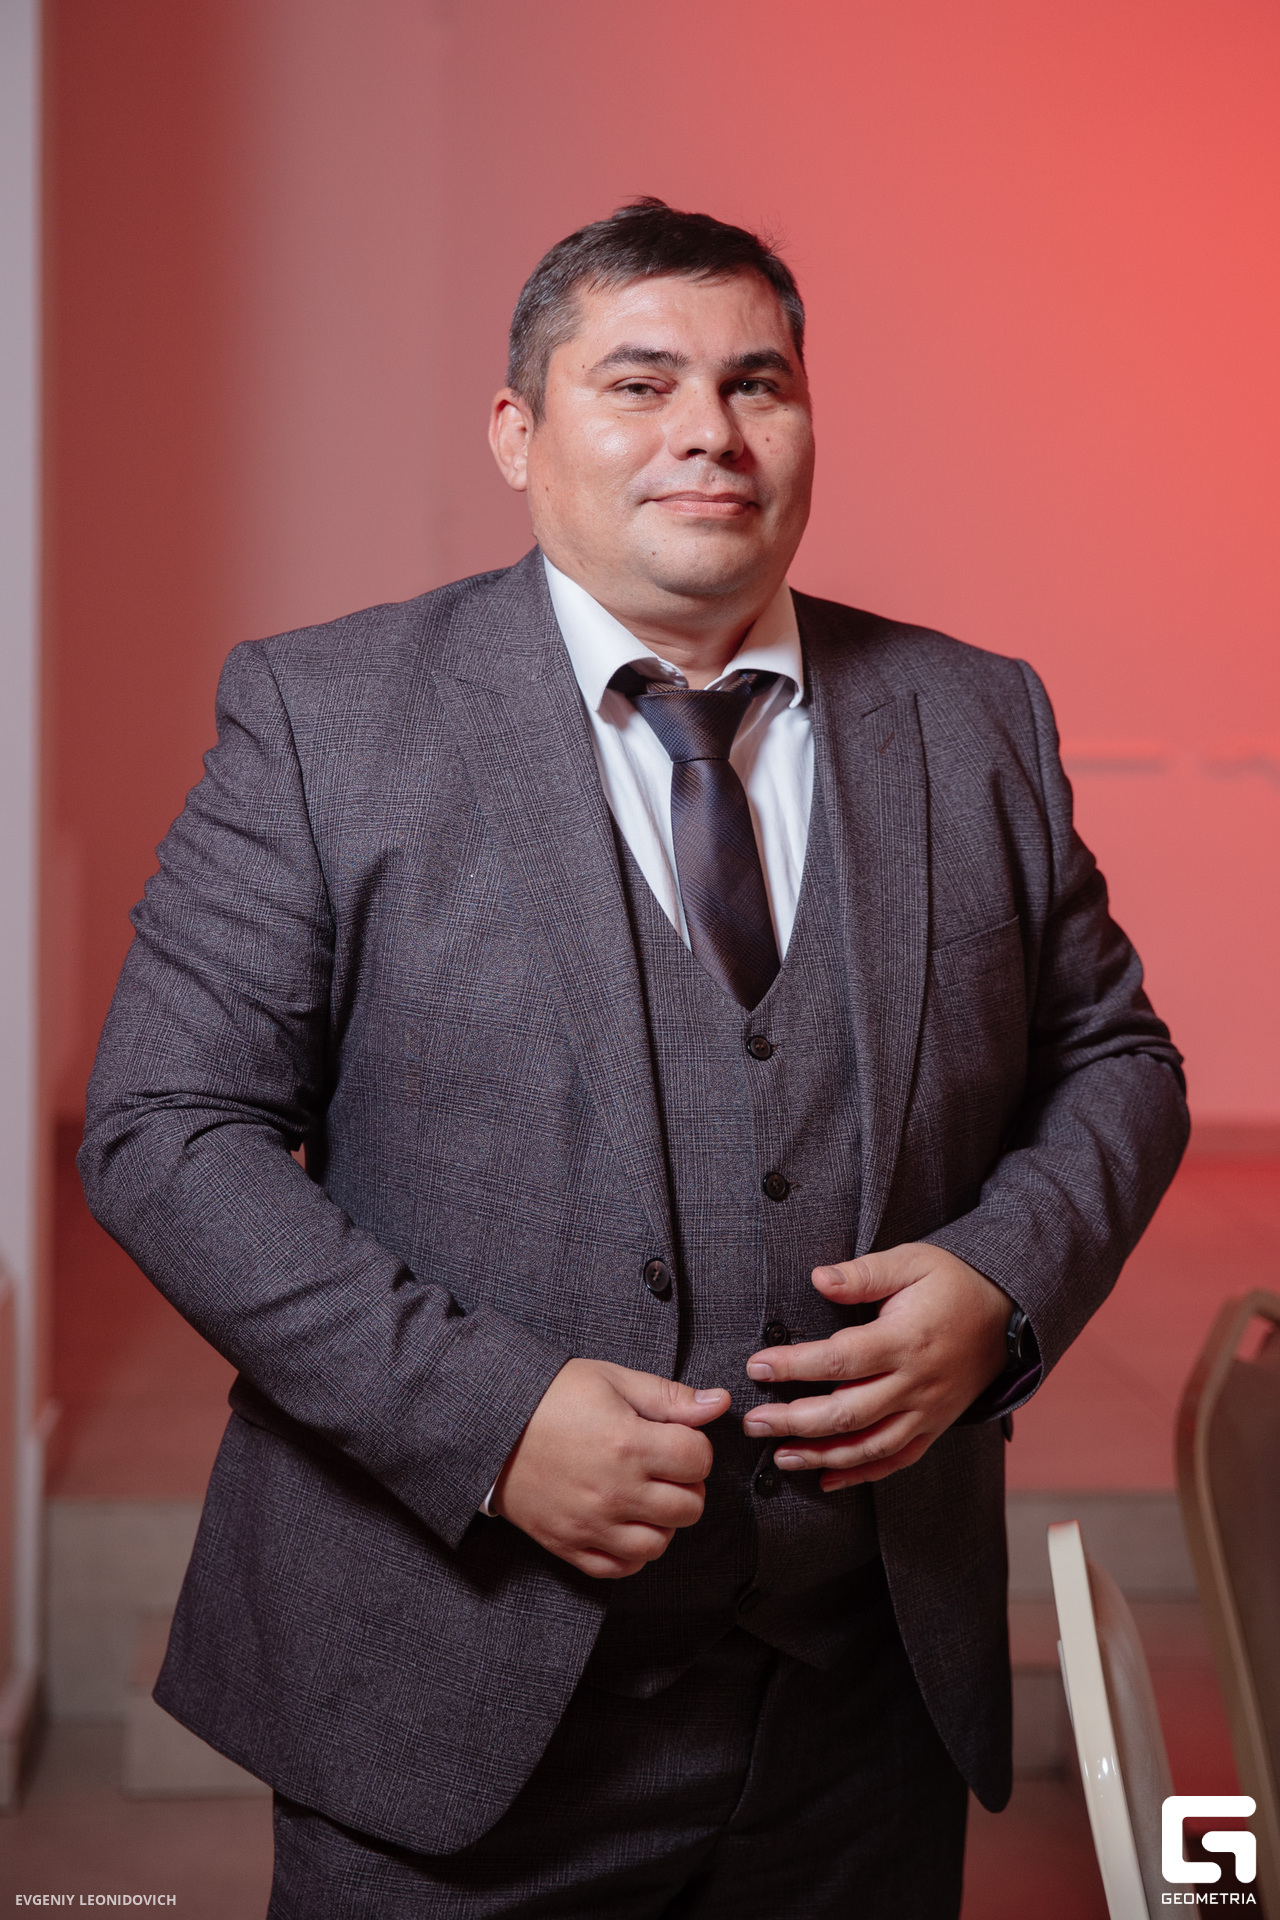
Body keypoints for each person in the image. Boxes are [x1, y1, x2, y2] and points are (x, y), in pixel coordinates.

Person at [80, 198, 1187, 1918]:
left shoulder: (975, 718)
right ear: (517, 432)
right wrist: (489, 1416)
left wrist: (1003, 1287)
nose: (710, 432)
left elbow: (1117, 1059)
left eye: (759, 384)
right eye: (641, 382)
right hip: (453, 1701)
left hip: (863, 1711)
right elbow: (165, 1128)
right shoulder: (326, 719)